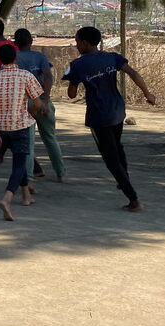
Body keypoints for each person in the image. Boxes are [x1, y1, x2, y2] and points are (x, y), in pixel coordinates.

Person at [63, 26, 155, 212]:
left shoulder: (77, 65)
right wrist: (148, 94)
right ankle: (125, 177)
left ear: (86, 43)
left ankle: (133, 199)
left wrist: (74, 80)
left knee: (110, 158)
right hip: (118, 111)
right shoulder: (112, 57)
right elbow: (134, 73)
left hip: (99, 116)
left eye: (77, 41)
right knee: (117, 145)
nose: (76, 45)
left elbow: (72, 94)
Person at [0, 44, 43, 221]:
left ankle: (26, 196)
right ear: (15, 57)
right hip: (20, 125)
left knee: (18, 159)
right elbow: (37, 103)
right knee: (20, 163)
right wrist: (29, 114)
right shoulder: (25, 75)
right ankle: (7, 198)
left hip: (1, 127)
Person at [14, 29, 66, 182]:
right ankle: (60, 172)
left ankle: (29, 177)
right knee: (50, 137)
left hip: (25, 103)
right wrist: (46, 100)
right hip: (43, 100)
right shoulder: (41, 57)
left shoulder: (14, 59)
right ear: (31, 41)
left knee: (28, 142)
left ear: (15, 43)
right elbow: (49, 77)